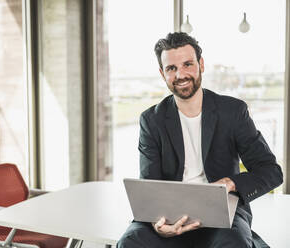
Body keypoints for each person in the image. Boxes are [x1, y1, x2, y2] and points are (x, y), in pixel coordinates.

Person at [117, 32, 283, 248]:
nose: (181, 74)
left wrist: (231, 183)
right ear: (162, 73)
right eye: (171, 68)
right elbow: (150, 184)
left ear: (201, 64)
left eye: (187, 64)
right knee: (130, 242)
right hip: (169, 214)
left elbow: (271, 171)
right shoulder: (151, 120)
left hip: (222, 212)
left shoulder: (233, 111)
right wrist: (158, 224)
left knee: (234, 244)